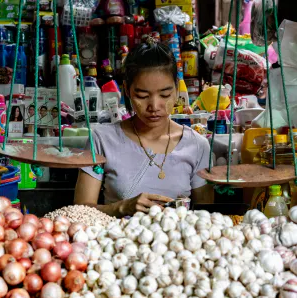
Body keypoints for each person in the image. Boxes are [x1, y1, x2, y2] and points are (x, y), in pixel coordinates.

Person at [74, 39, 212, 217]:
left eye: (165, 95)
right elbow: (79, 212)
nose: (154, 106)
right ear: (127, 91)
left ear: (177, 90)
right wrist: (122, 208)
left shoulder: (197, 146)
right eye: (142, 95)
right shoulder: (102, 140)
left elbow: (206, 216)